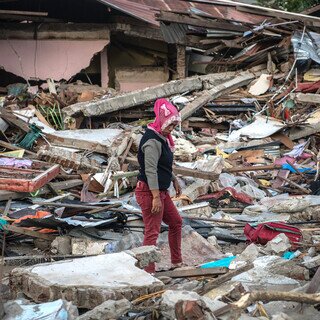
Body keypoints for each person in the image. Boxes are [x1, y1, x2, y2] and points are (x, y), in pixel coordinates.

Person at [135, 98, 183, 273]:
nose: (172, 130)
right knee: (152, 232)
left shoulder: (162, 137)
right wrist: (156, 197)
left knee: (176, 222)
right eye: (170, 125)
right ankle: (148, 271)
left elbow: (162, 165)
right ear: (162, 120)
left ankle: (176, 261)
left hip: (161, 191)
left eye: (174, 126)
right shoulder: (152, 141)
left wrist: (173, 178)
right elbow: (150, 170)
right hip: (149, 192)